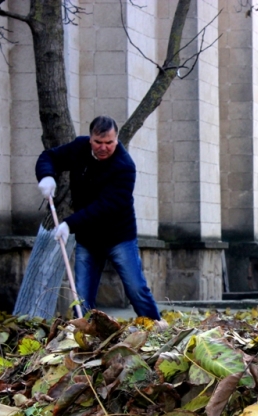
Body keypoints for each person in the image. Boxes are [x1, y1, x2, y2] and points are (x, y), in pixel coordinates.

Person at [35, 116, 166, 327]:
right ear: (90, 139)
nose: (103, 147)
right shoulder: (79, 148)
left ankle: (157, 328)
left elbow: (105, 207)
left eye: (109, 143)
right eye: (98, 142)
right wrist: (46, 176)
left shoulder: (124, 166)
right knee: (82, 296)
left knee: (136, 289)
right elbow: (49, 156)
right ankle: (86, 334)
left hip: (119, 237)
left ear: (116, 140)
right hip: (88, 240)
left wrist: (69, 224)